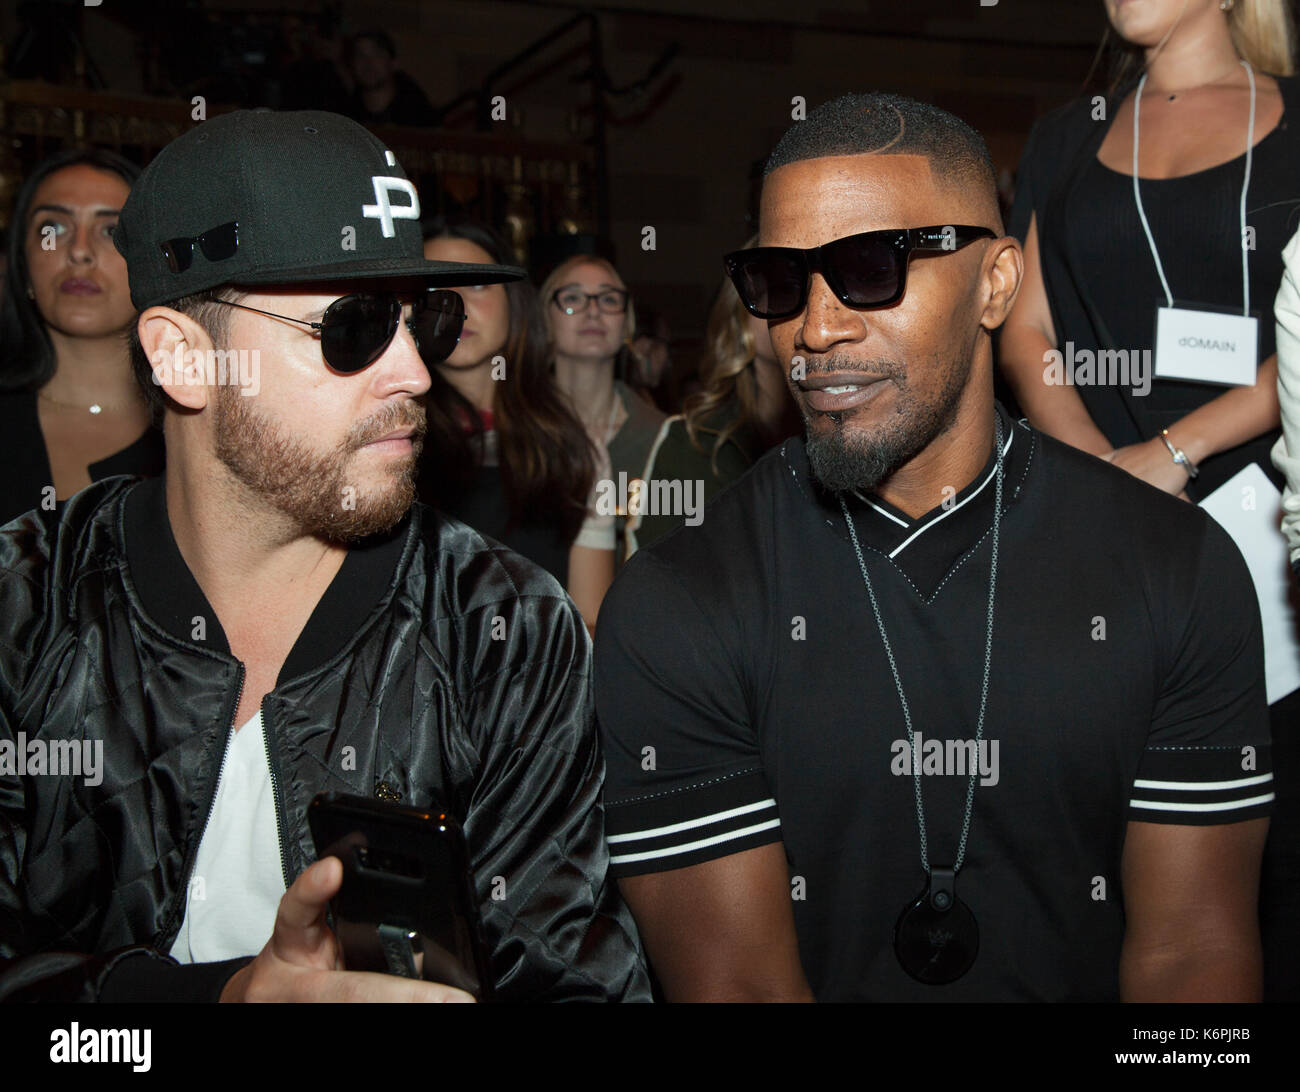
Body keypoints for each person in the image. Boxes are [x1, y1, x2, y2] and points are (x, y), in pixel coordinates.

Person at [595, 92, 1272, 1002]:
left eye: (870, 268)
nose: (816, 329)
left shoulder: (1174, 568)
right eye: (781, 282)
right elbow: (742, 989)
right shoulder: (681, 600)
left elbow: (1192, 963)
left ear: (996, 285)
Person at [0, 109, 650, 1003]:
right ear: (184, 361)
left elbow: (571, 985)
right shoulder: (27, 603)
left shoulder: (502, 630)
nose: (417, 374)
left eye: (424, 322)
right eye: (351, 327)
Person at [1000, 0, 1299, 999]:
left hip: (1264, 501)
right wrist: (1096, 470)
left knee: (1263, 830)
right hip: (1103, 515)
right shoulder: (1066, 134)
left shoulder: (1295, 119)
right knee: (1121, 831)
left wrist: (1175, 451)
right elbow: (1024, 327)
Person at [420, 219, 614, 635]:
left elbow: (590, 620)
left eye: (477, 285)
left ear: (514, 301)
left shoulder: (572, 444)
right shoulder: (392, 437)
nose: (457, 304)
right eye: (436, 289)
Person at [0, 147, 158, 528]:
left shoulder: (204, 430)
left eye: (111, 231)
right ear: (22, 261)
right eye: (53, 228)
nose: (79, 252)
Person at [632, 242, 800, 551]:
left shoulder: (850, 432)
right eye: (782, 287)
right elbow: (659, 577)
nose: (802, 306)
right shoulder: (693, 441)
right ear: (740, 318)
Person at [541, 255, 666, 565]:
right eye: (572, 298)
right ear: (544, 320)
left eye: (609, 299)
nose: (593, 311)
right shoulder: (513, 429)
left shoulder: (662, 437)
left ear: (627, 323)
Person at [345, 29, 437, 129]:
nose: (368, 63)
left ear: (393, 63)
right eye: (360, 55)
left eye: (377, 54)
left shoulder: (418, 113)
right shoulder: (344, 116)